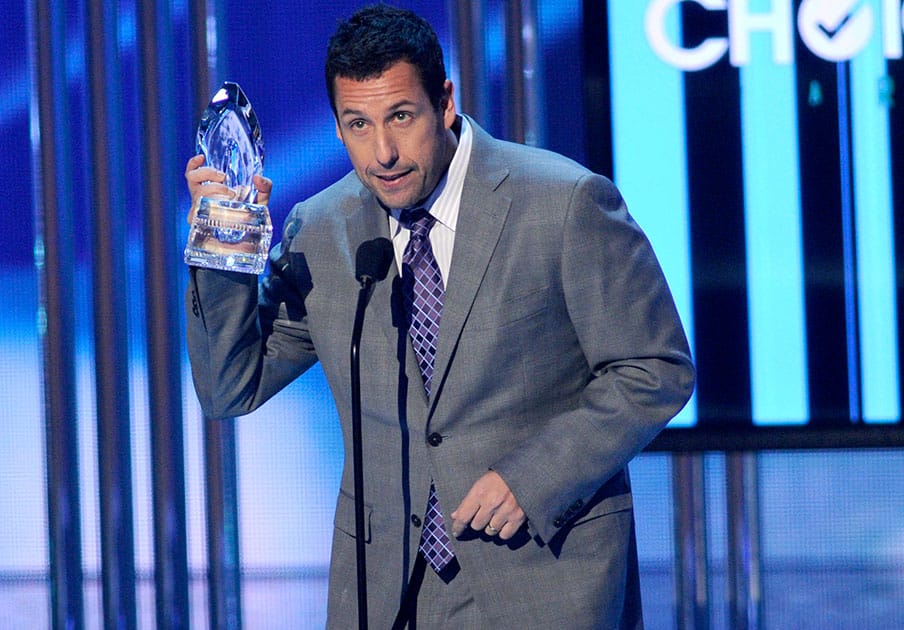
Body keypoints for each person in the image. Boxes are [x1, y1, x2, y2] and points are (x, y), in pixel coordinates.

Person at [184, 4, 694, 627]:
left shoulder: (563, 204)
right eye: (359, 125)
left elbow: (654, 368)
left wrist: (533, 478)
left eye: (401, 117)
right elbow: (230, 386)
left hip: (543, 573)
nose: (384, 153)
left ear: (444, 103)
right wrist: (224, 244)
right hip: (386, 588)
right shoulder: (319, 231)